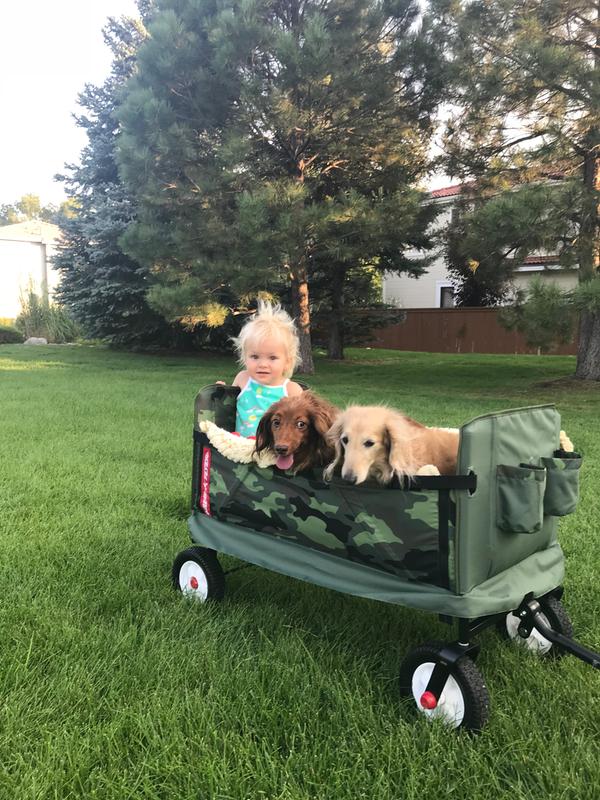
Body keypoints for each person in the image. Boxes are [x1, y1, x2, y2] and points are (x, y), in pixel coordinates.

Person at [219, 302, 303, 437]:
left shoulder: (291, 390)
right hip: (241, 448)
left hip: (275, 450)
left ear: (287, 362)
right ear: (245, 357)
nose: (263, 364)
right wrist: (221, 391)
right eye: (255, 356)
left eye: (272, 358)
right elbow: (228, 406)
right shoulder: (243, 378)